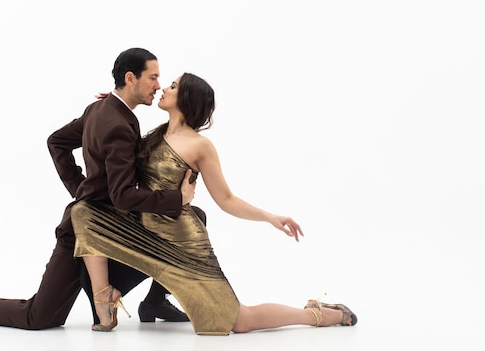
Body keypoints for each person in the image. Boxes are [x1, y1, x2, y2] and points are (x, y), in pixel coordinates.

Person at [0, 48, 204, 328]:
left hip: (110, 229)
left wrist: (81, 189)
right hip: (83, 234)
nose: (158, 85)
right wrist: (174, 198)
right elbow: (121, 194)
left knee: (192, 220)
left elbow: (56, 141)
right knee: (39, 317)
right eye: (153, 77)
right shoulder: (116, 121)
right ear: (131, 78)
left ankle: (152, 301)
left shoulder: (104, 109)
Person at [71, 72, 357, 335]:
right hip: (144, 232)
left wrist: (270, 216)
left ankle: (318, 315)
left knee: (240, 321)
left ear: (186, 99)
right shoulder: (156, 135)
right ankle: (104, 301)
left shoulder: (200, 146)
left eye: (172, 86)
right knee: (83, 211)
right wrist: (113, 105)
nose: (162, 89)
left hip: (182, 244)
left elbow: (227, 199)